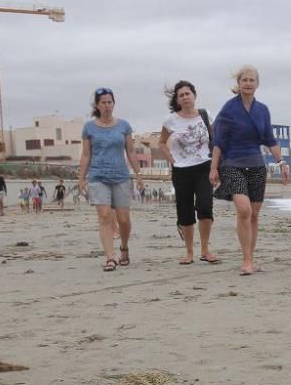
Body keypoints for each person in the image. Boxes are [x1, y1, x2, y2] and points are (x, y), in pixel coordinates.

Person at [210, 65, 289, 275]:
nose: (248, 83)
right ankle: (246, 261)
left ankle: (251, 259)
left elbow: (270, 140)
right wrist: (213, 168)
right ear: (239, 83)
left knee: (254, 214)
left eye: (252, 80)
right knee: (243, 210)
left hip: (256, 165)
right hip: (232, 164)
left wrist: (282, 163)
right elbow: (218, 141)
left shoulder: (262, 110)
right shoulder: (229, 108)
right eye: (244, 80)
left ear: (257, 84)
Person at [79, 86, 146, 271]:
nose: (107, 106)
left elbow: (131, 151)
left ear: (114, 103)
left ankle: (124, 247)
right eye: (103, 102)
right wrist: (81, 178)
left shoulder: (123, 126)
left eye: (110, 102)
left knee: (123, 219)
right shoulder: (89, 128)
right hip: (98, 176)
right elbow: (86, 155)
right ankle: (110, 257)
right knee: (104, 216)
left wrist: (138, 175)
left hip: (121, 176)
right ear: (97, 105)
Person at [159, 80, 219, 265]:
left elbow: (215, 139)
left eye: (188, 93)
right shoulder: (171, 120)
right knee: (184, 211)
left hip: (204, 166)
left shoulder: (205, 115)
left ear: (194, 95)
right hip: (181, 170)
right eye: (181, 95)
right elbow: (161, 142)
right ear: (177, 99)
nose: (185, 97)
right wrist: (171, 159)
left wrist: (216, 166)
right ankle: (189, 252)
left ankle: (205, 249)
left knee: (205, 206)